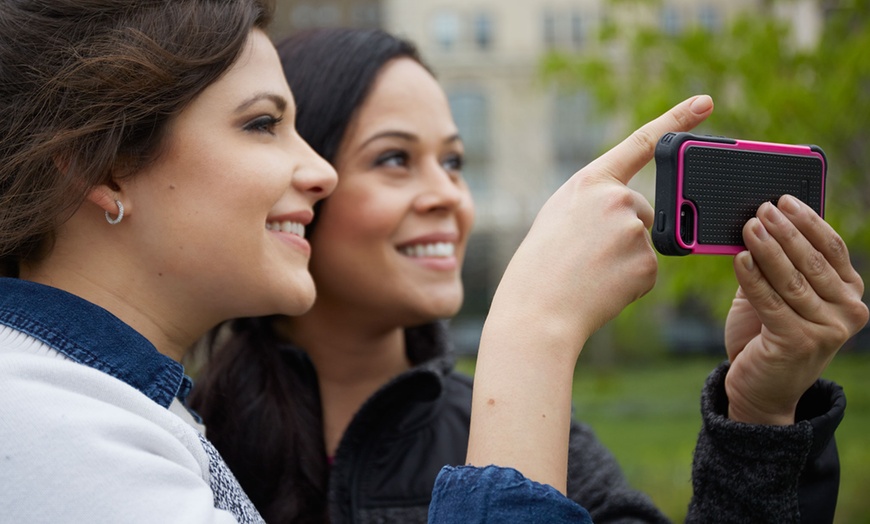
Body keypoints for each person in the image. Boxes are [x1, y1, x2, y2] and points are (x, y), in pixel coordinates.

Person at [188, 28, 866, 523]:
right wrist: (533, 324)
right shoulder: (183, 441)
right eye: (395, 160)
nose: (445, 196)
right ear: (303, 185)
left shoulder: (539, 432)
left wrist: (760, 416)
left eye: (454, 163)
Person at [0, 1, 338, 522]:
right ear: (107, 169)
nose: (323, 173)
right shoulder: (54, 426)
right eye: (263, 123)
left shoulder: (85, 404)